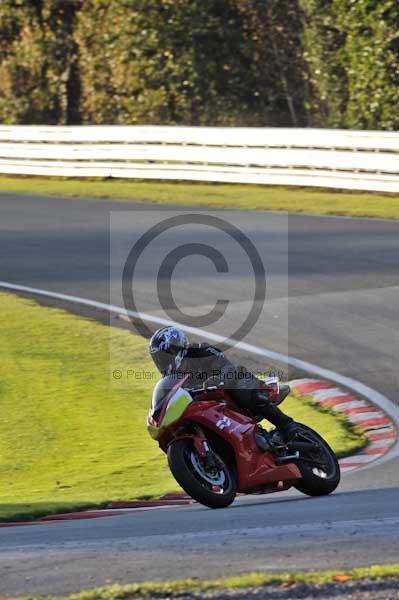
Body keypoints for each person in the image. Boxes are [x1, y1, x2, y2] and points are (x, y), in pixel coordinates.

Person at [148, 326, 298, 441]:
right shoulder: (172, 380)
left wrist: (212, 382)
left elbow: (227, 367)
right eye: (159, 359)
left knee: (240, 386)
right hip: (209, 410)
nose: (163, 362)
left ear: (176, 348)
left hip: (229, 385)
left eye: (165, 356)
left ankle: (286, 425)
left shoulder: (202, 351)